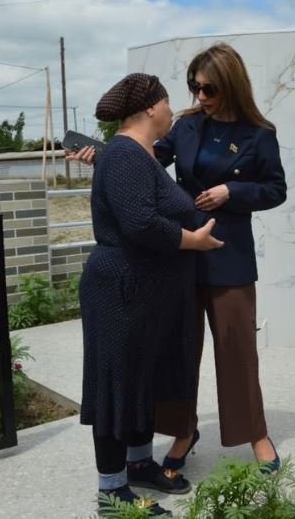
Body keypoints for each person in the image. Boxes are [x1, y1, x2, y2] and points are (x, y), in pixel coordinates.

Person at [71, 43, 287, 470]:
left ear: (231, 86)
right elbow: (142, 161)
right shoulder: (185, 127)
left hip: (228, 252)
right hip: (176, 252)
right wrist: (101, 156)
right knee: (176, 350)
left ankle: (255, 434)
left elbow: (276, 189)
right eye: (193, 88)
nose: (200, 97)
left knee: (237, 348)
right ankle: (182, 431)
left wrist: (234, 191)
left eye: (208, 89)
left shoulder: (259, 134)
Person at [79, 73, 223, 516]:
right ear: (149, 108)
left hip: (143, 290)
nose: (171, 110)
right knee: (116, 384)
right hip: (120, 287)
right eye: (166, 102)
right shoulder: (123, 154)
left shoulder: (140, 155)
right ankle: (111, 492)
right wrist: (190, 242)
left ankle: (138, 463)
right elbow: (139, 223)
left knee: (140, 380)